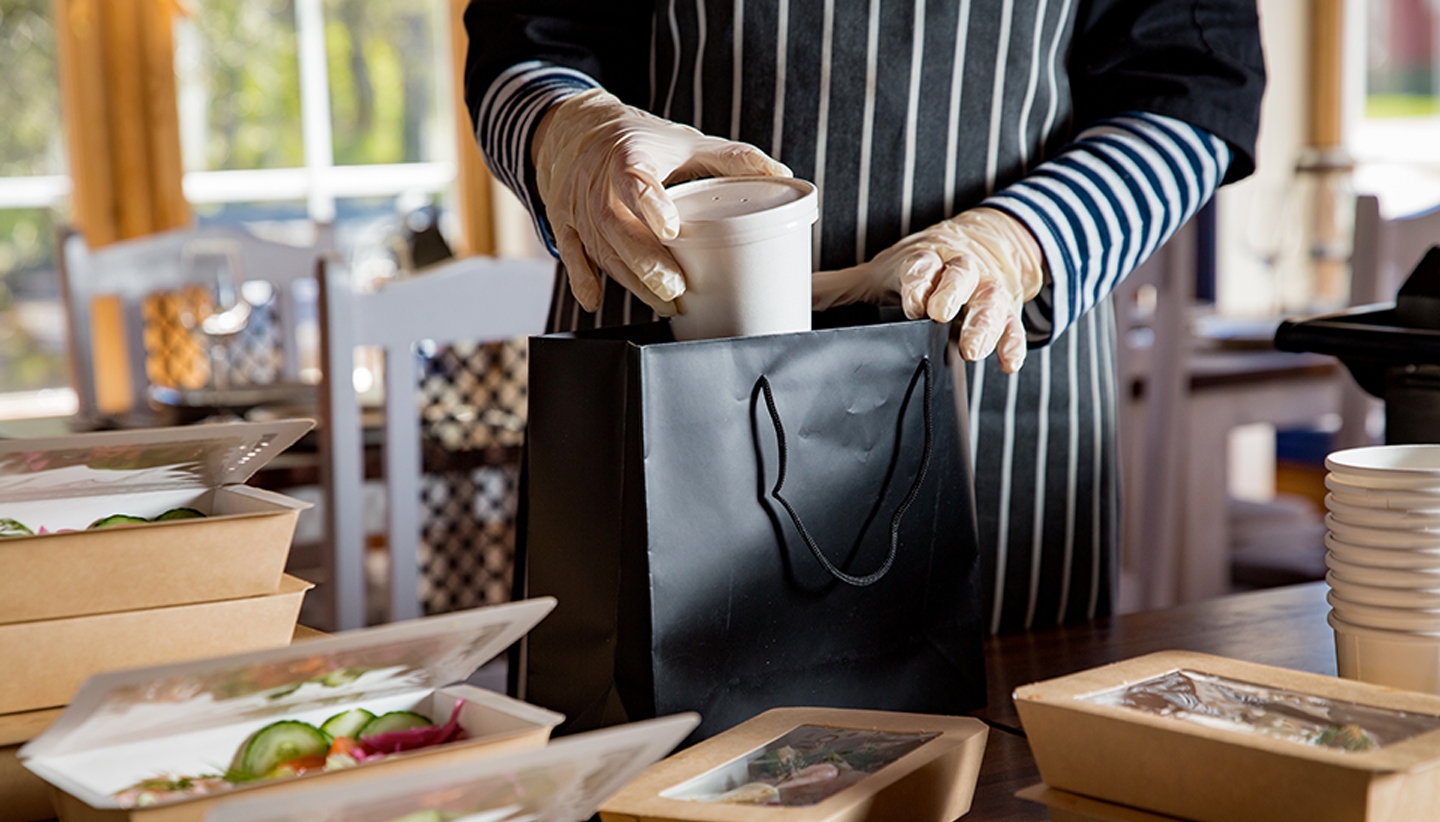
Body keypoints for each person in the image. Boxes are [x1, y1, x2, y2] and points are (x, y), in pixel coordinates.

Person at [464, 0, 1265, 634]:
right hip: (657, 360)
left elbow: (1193, 83)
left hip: (990, 382)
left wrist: (1014, 243)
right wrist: (569, 133)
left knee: (997, 767)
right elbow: (524, 39)